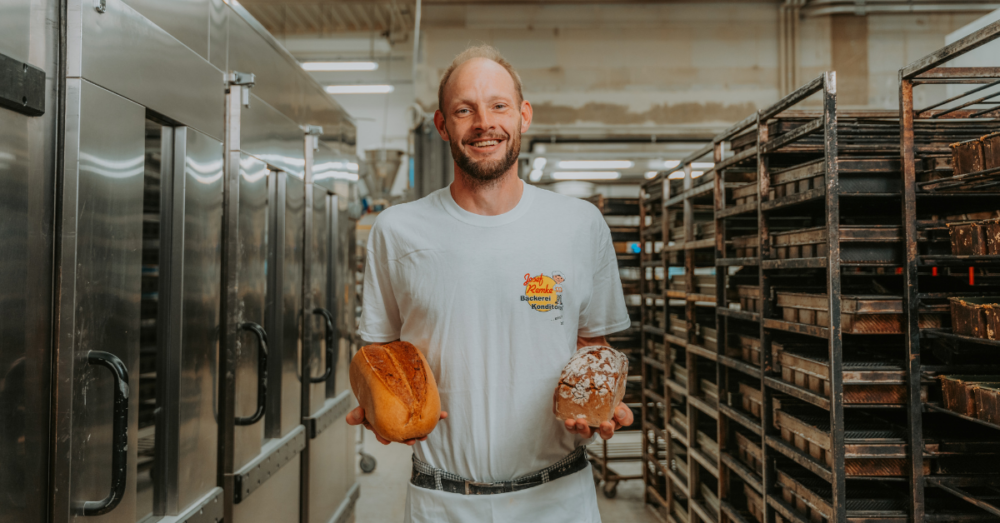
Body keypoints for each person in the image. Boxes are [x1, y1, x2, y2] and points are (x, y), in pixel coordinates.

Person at [346, 44, 633, 523]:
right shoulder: (397, 230)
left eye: (498, 106)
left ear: (523, 116)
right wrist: (377, 412)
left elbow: (593, 350)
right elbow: (379, 358)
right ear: (442, 125)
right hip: (442, 502)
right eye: (465, 110)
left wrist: (599, 409)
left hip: (558, 500)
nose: (484, 123)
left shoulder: (580, 224)